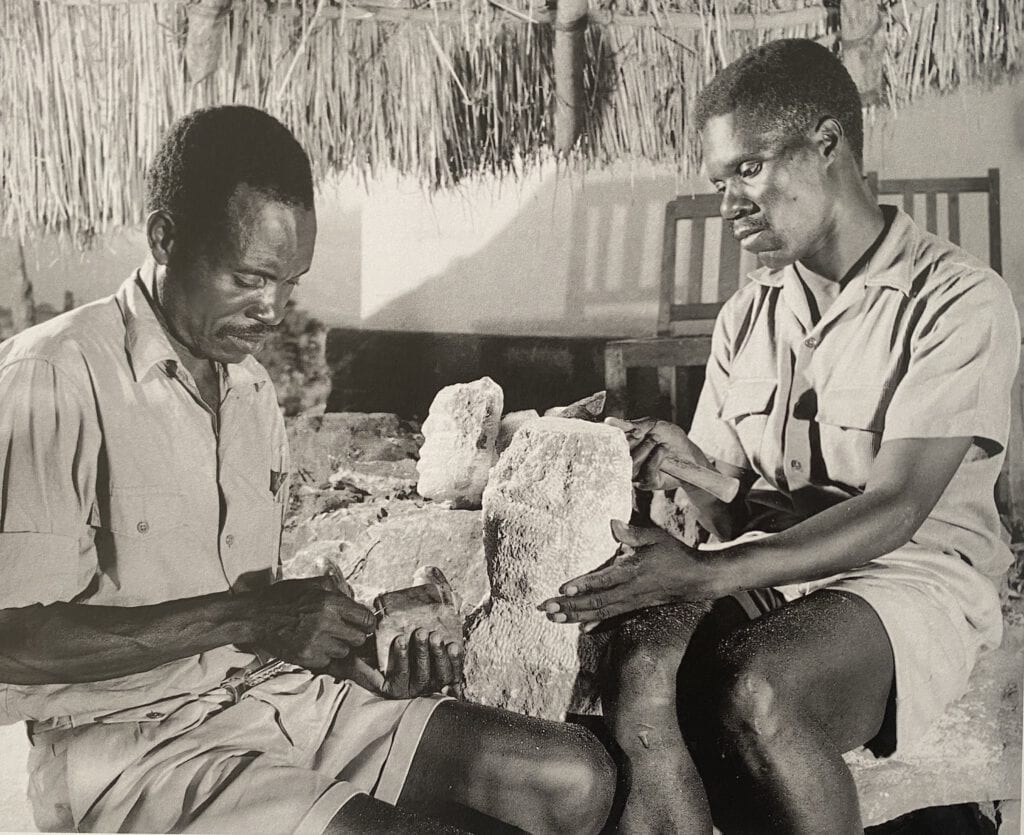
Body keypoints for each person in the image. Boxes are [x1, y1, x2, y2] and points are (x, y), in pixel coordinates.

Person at [0, 105, 615, 835]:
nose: (272, 309)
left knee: (575, 777)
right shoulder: (53, 376)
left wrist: (362, 653)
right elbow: (12, 640)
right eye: (249, 277)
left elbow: (259, 615)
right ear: (165, 236)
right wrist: (250, 615)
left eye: (289, 283)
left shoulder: (252, 391)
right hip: (132, 746)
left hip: (273, 695)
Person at [541, 38, 1019, 834]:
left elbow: (897, 510)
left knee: (755, 688)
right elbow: (731, 511)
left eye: (749, 170)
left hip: (911, 577)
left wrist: (706, 571)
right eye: (720, 181)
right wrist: (689, 474)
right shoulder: (749, 315)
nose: (730, 205)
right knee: (639, 664)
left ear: (827, 143)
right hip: (764, 565)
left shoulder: (957, 298)